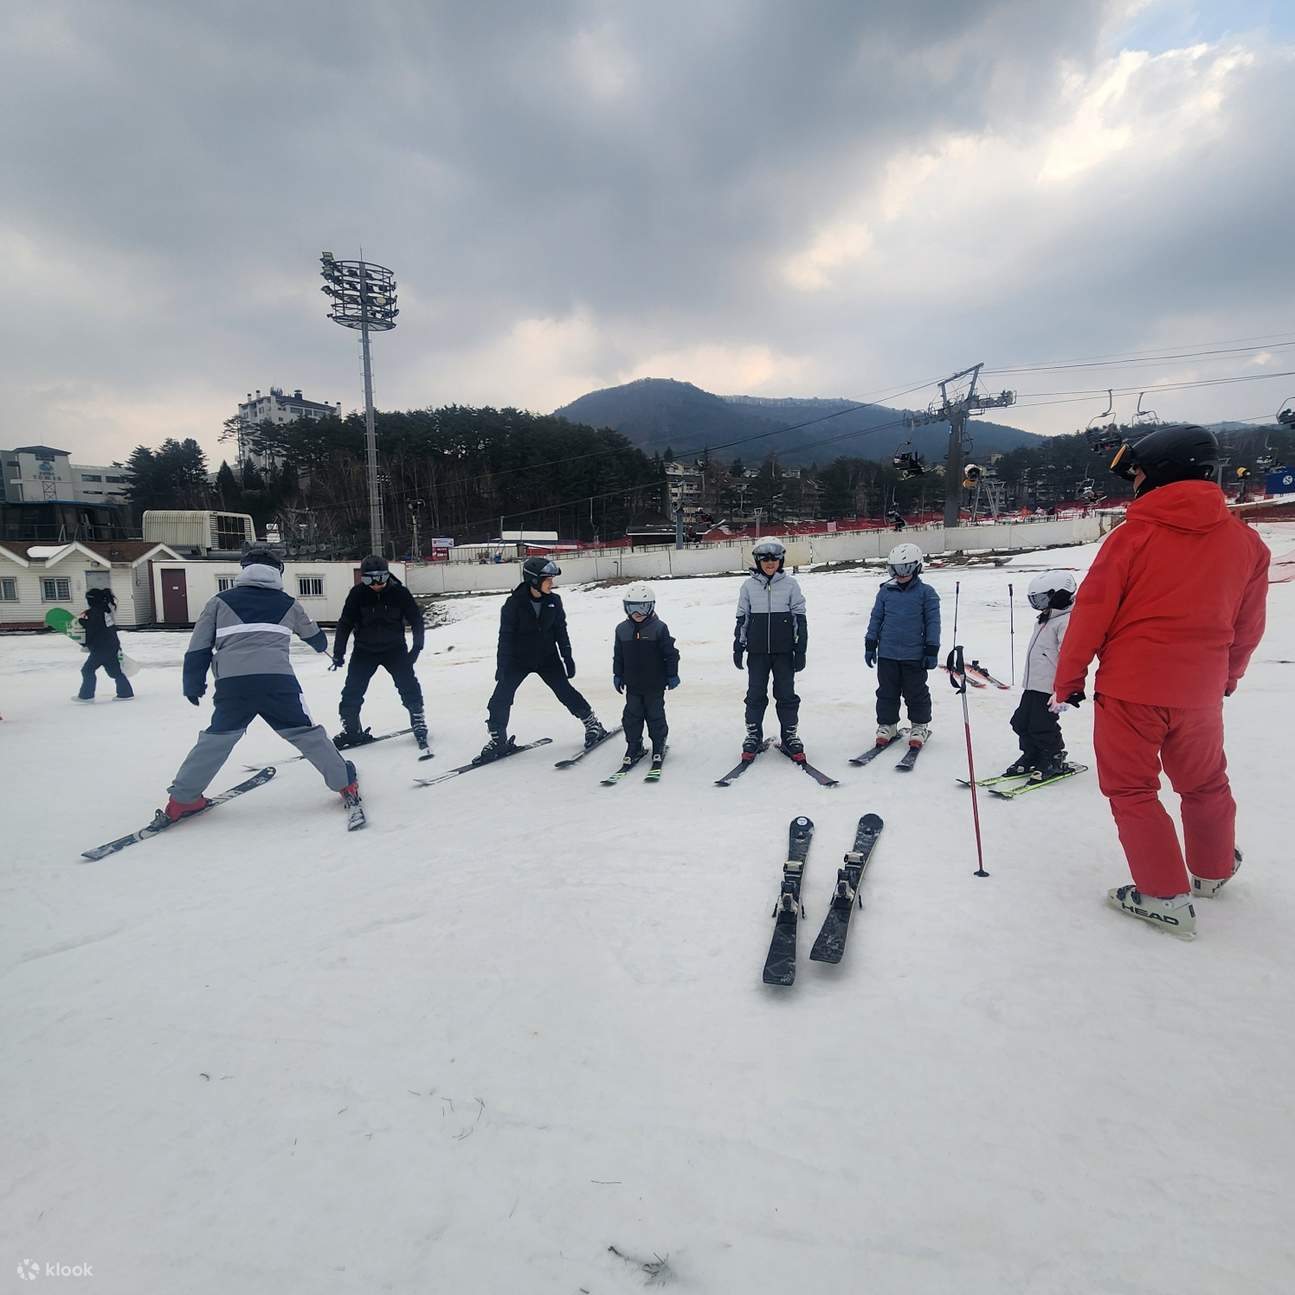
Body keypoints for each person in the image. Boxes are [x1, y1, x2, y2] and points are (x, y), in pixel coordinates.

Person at [1052, 423, 1269, 939]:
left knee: (1132, 791)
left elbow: (1092, 615)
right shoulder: (1246, 543)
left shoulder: (1133, 536)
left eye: (1141, 471)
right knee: (1205, 783)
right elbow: (1248, 623)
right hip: (1199, 693)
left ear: (1166, 472)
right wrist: (1230, 675)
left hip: (1130, 692)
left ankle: (1164, 896)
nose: (1136, 482)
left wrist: (1069, 679)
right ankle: (1213, 871)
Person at [162, 546, 361, 823]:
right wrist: (320, 645)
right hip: (277, 682)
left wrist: (193, 683)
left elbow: (198, 648)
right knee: (305, 733)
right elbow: (317, 639)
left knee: (217, 739)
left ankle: (183, 800)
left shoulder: (219, 601)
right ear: (278, 573)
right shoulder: (288, 603)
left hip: (234, 685)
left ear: (244, 570)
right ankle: (344, 782)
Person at [479, 556, 608, 762]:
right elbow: (505, 637)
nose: (552, 583)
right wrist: (502, 666)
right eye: (548, 580)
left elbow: (560, 631)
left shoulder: (553, 601)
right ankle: (498, 740)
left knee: (564, 691)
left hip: (547, 657)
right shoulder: (513, 605)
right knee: (500, 698)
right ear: (534, 581)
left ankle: (593, 724)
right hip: (518, 659)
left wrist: (567, 656)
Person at [331, 555, 427, 753]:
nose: (376, 585)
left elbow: (416, 620)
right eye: (369, 580)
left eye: (381, 579)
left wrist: (417, 647)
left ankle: (418, 719)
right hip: (364, 651)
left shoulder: (400, 593)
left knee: (408, 685)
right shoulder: (357, 594)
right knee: (352, 690)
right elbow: (345, 623)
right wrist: (338, 652)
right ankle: (351, 729)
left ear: (388, 575)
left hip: (395, 650)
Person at [733, 538, 809, 760]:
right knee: (755, 694)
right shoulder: (748, 586)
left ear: (781, 560)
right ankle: (753, 736)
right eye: (764, 559)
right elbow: (742, 618)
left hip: (784, 652)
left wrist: (800, 649)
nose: (769, 563)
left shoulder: (790, 585)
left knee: (786, 695)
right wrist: (738, 646)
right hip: (757, 653)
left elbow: (799, 619)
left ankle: (790, 736)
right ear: (757, 561)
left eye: (774, 559)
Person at [865, 542, 941, 748]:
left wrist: (932, 649)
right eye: (895, 569)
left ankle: (919, 725)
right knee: (886, 692)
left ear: (916, 568)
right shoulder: (885, 592)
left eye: (905, 568)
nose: (900, 574)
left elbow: (933, 623)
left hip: (914, 655)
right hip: (887, 654)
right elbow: (876, 619)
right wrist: (870, 644)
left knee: (915, 692)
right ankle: (887, 725)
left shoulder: (927, 593)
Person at [1005, 571, 1078, 780]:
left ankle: (1053, 757)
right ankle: (1032, 754)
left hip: (1050, 687)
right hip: (1033, 683)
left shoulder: (1066, 621)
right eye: (1035, 600)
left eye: (1042, 599)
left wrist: (1065, 691)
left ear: (1059, 595)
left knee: (1042, 725)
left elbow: (1070, 658)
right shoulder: (1047, 618)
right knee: (1020, 722)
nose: (1038, 605)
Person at [612, 582, 679, 774]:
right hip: (632, 685)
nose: (637, 612)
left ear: (651, 607)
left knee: (655, 716)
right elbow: (618, 655)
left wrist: (672, 674)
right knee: (631, 717)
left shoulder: (659, 628)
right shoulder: (621, 629)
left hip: (654, 684)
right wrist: (617, 674)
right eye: (632, 607)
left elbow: (670, 654)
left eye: (643, 607)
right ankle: (634, 746)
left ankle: (658, 745)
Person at [74, 587, 134, 702]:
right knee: (115, 672)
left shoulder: (95, 613)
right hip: (111, 646)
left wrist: (85, 642)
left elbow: (93, 630)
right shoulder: (105, 611)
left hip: (101, 648)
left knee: (87, 670)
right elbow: (104, 628)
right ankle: (125, 693)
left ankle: (86, 696)